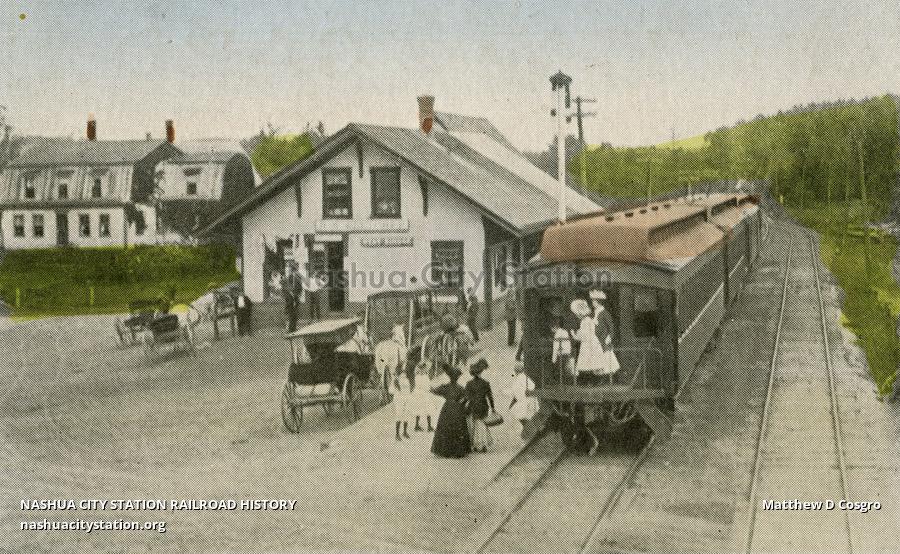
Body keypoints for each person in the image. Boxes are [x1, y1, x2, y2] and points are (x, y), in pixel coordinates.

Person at [376, 324, 410, 441]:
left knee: (383, 364)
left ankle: (381, 388)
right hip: (401, 395)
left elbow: (382, 360)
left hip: (382, 359)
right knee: (403, 415)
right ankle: (402, 433)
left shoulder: (382, 345)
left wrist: (382, 362)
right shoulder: (400, 346)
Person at [430, 368, 471, 458]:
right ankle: (457, 451)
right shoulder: (460, 388)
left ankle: (446, 451)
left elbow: (434, 391)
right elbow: (467, 397)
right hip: (457, 409)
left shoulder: (446, 387)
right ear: (457, 378)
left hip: (447, 408)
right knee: (457, 427)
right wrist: (461, 403)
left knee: (445, 427)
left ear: (450, 378)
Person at [465, 358, 496, 453]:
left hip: (473, 406)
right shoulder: (485, 383)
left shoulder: (469, 384)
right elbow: (490, 396)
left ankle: (475, 444)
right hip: (483, 406)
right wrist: (493, 407)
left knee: (474, 425)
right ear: (480, 373)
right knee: (482, 424)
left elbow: (466, 397)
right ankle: (483, 444)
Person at [507, 360, 538, 438]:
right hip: (530, 399)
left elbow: (515, 392)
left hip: (525, 401)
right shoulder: (525, 377)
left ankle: (530, 430)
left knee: (517, 413)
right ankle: (529, 429)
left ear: (516, 371)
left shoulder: (519, 379)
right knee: (522, 415)